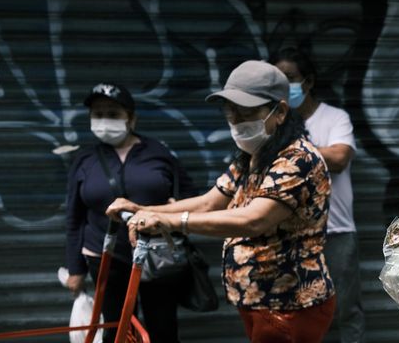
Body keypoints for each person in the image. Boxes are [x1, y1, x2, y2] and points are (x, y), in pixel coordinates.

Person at [107, 60, 336, 343]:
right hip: (260, 299)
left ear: (280, 112)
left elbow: (254, 219)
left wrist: (170, 221)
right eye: (232, 113)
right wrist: (143, 210)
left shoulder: (297, 159)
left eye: (248, 112)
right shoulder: (253, 157)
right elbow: (208, 203)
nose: (237, 121)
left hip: (289, 303)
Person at [63, 82, 195, 343]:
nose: (104, 120)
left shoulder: (158, 152)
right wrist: (74, 268)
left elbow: (192, 198)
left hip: (157, 257)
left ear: (131, 118)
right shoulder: (85, 159)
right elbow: (74, 218)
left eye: (112, 114)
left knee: (163, 329)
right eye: (97, 114)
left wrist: (173, 209)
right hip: (105, 259)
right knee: (117, 331)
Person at [271, 47, 365, 342]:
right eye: (277, 80)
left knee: (345, 311)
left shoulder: (334, 118)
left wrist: (290, 155)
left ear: (308, 82)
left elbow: (339, 158)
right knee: (297, 316)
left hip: (335, 232)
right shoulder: (274, 124)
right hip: (289, 236)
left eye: (290, 78)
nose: (284, 87)